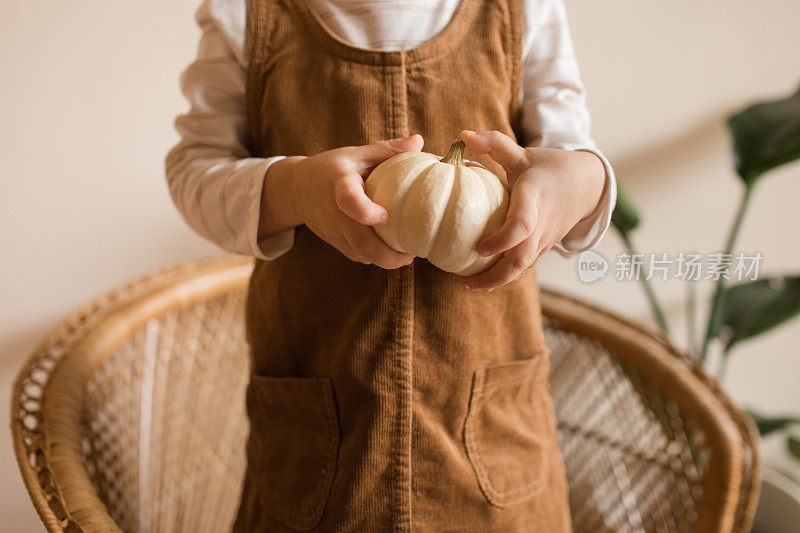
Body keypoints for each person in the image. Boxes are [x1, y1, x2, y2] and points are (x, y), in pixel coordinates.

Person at [166, 0, 617, 530]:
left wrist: (576, 185)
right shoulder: (245, 14)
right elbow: (195, 170)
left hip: (489, 443)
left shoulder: (523, 10)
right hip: (322, 447)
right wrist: (293, 189)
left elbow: (573, 156)